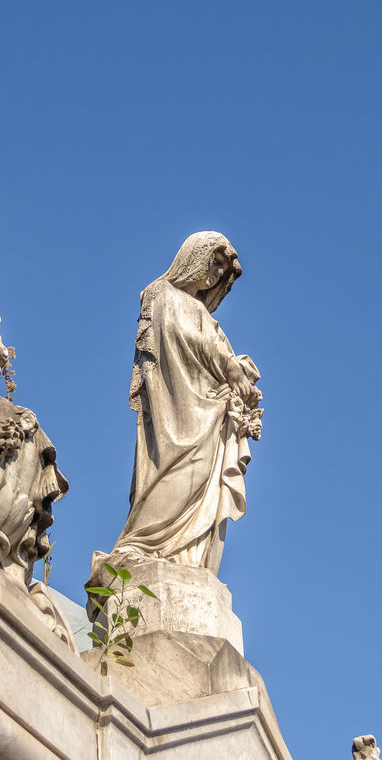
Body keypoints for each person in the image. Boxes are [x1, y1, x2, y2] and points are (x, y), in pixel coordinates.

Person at [110, 231, 263, 574]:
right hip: (179, 411)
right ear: (194, 257)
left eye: (223, 269)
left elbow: (217, 352)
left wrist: (239, 376)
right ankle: (143, 545)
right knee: (179, 472)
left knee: (203, 480)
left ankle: (187, 560)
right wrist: (227, 365)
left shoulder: (206, 316)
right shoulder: (161, 293)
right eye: (214, 262)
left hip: (210, 412)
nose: (216, 273)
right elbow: (179, 338)